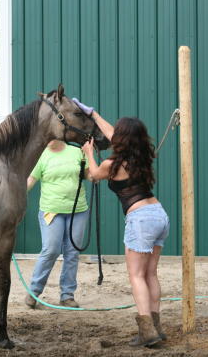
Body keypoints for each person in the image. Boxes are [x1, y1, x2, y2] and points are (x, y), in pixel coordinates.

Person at [73, 98, 169, 347]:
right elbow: (113, 134)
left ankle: (147, 332)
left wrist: (88, 153)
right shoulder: (142, 157)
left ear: (123, 140)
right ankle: (156, 327)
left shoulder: (111, 165)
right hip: (158, 214)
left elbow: (93, 176)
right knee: (150, 274)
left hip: (140, 219)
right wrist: (93, 115)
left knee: (136, 275)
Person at [25, 139, 90, 308]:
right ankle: (34, 292)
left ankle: (67, 295)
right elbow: (30, 181)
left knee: (72, 252)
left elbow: (90, 175)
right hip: (51, 211)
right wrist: (12, 194)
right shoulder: (41, 156)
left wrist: (90, 154)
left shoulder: (76, 152)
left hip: (78, 210)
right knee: (51, 250)